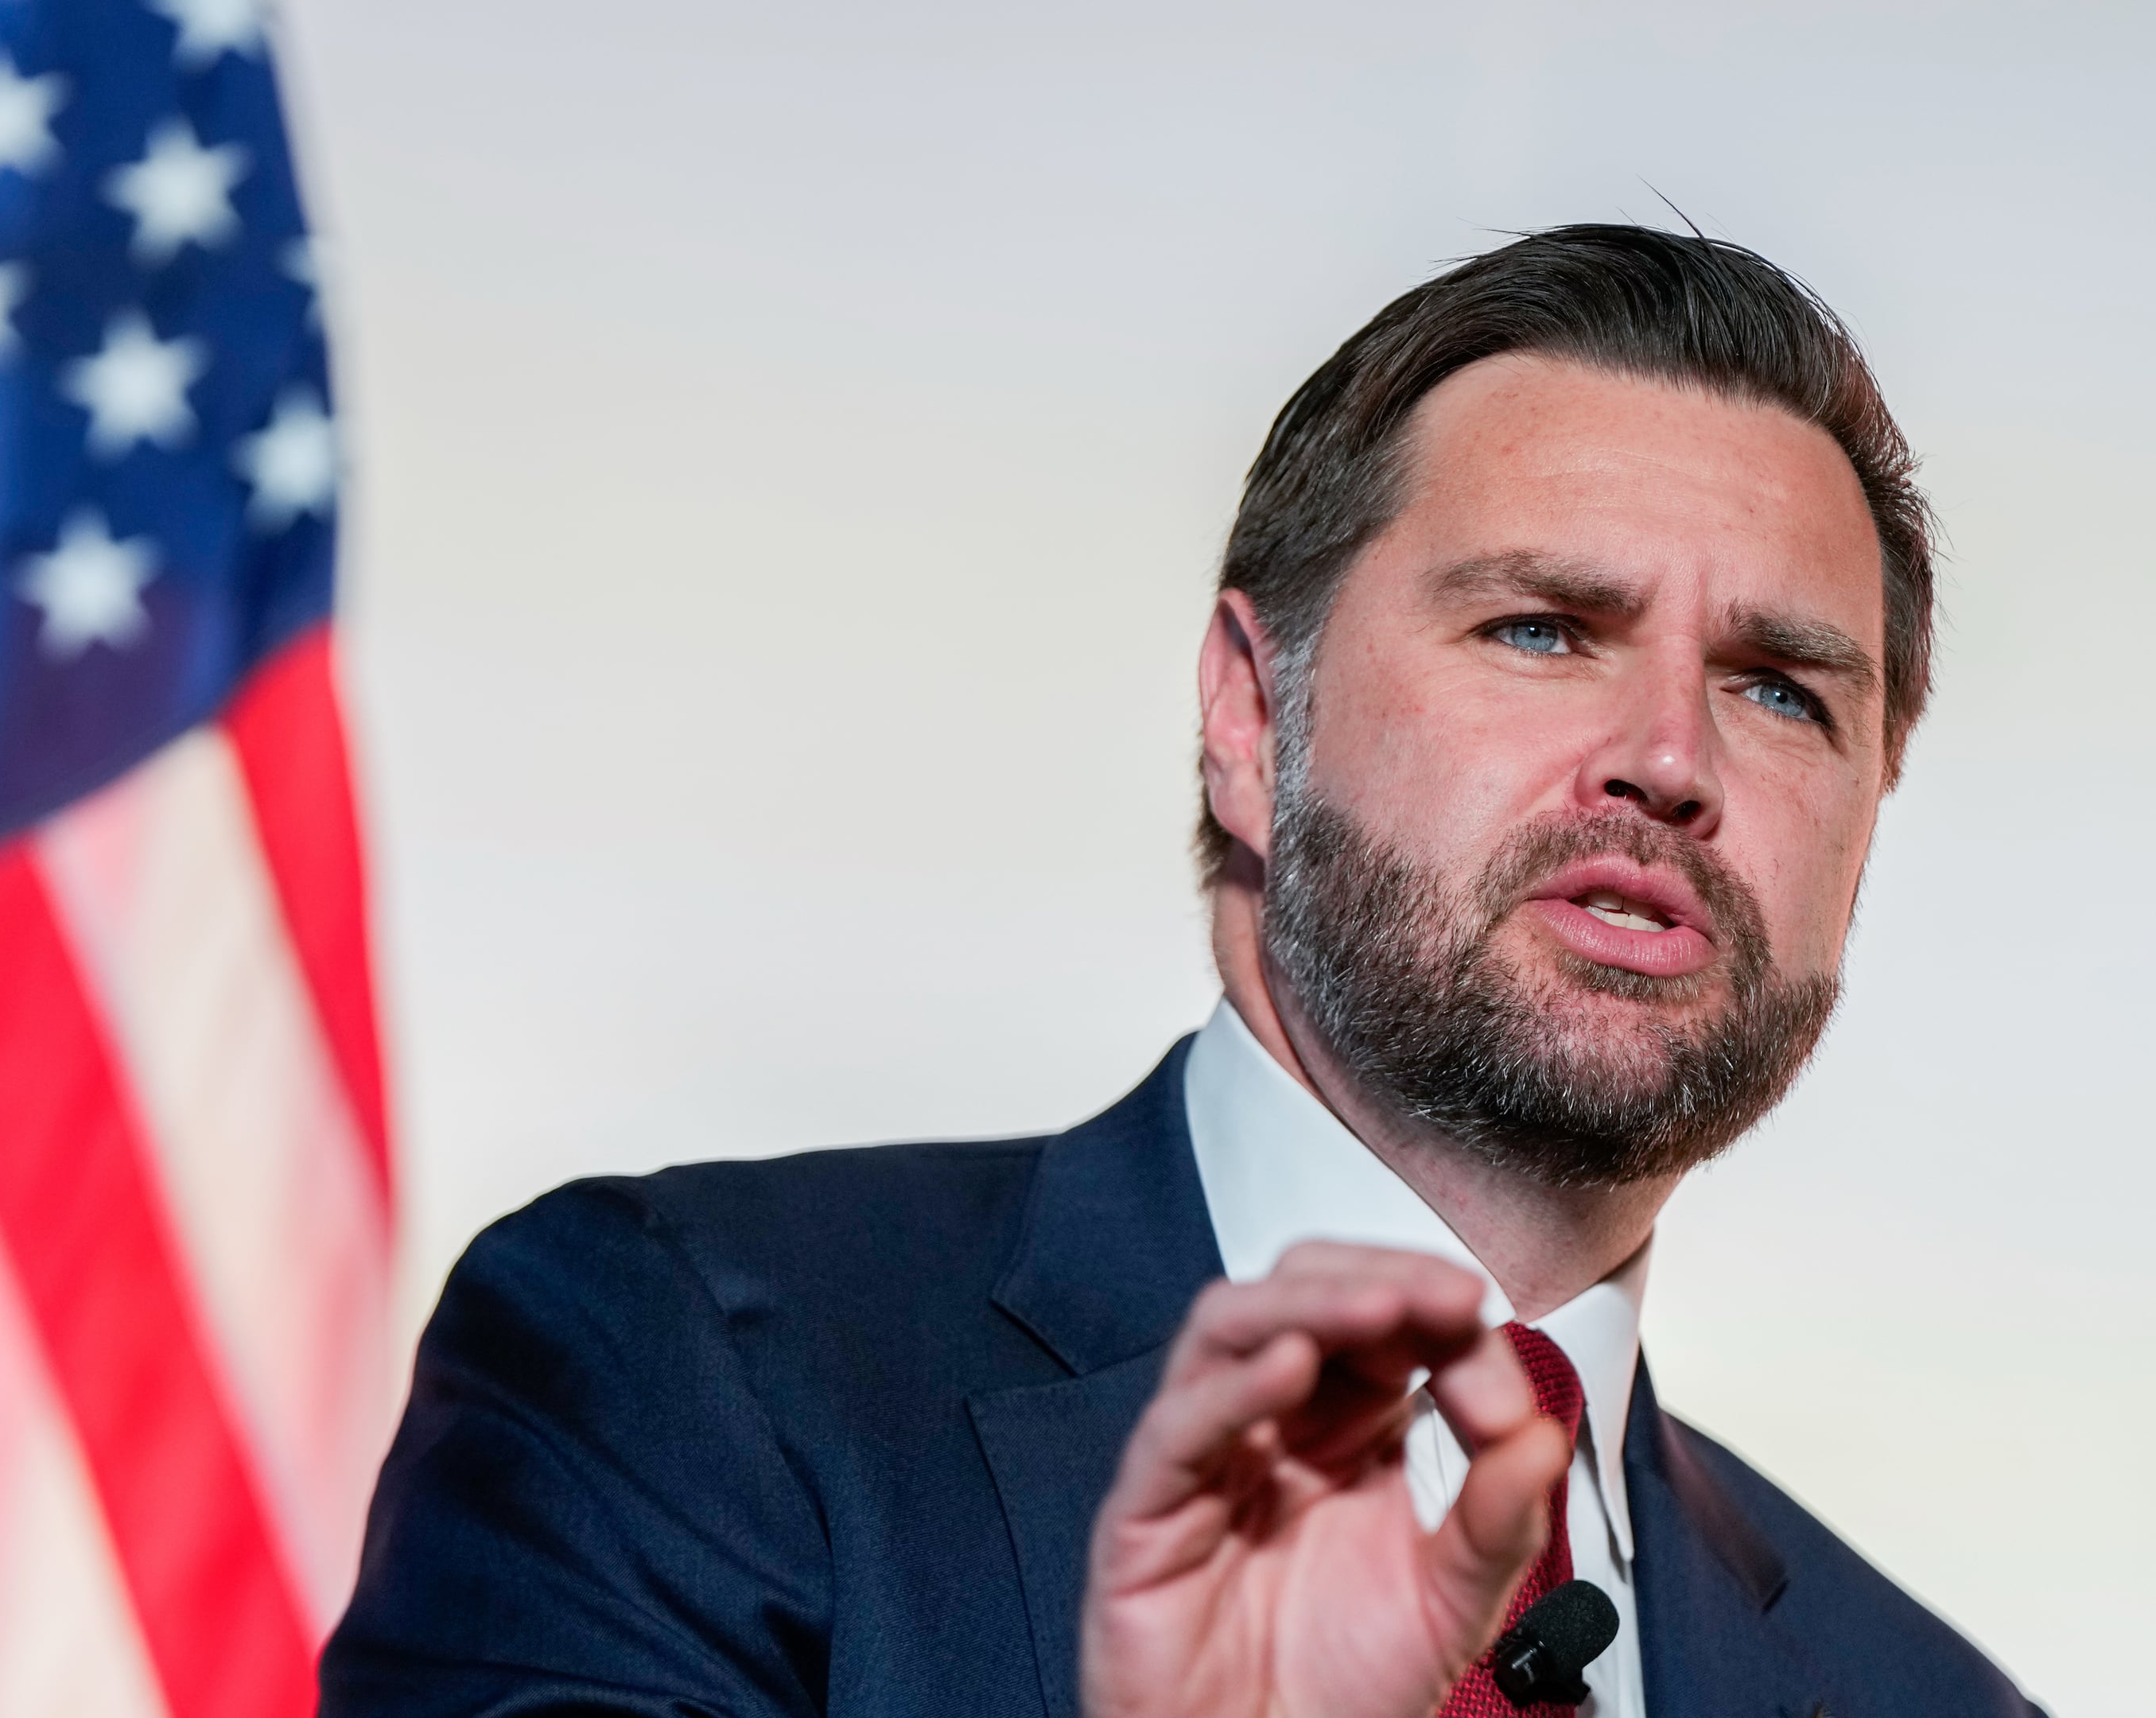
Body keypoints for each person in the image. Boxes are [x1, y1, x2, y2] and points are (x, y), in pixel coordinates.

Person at [323, 226, 2041, 1718]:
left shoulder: (1938, 1701)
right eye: (1541, 628)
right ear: (1248, 716)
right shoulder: (687, 1374)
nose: (1669, 755)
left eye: (1782, 689)